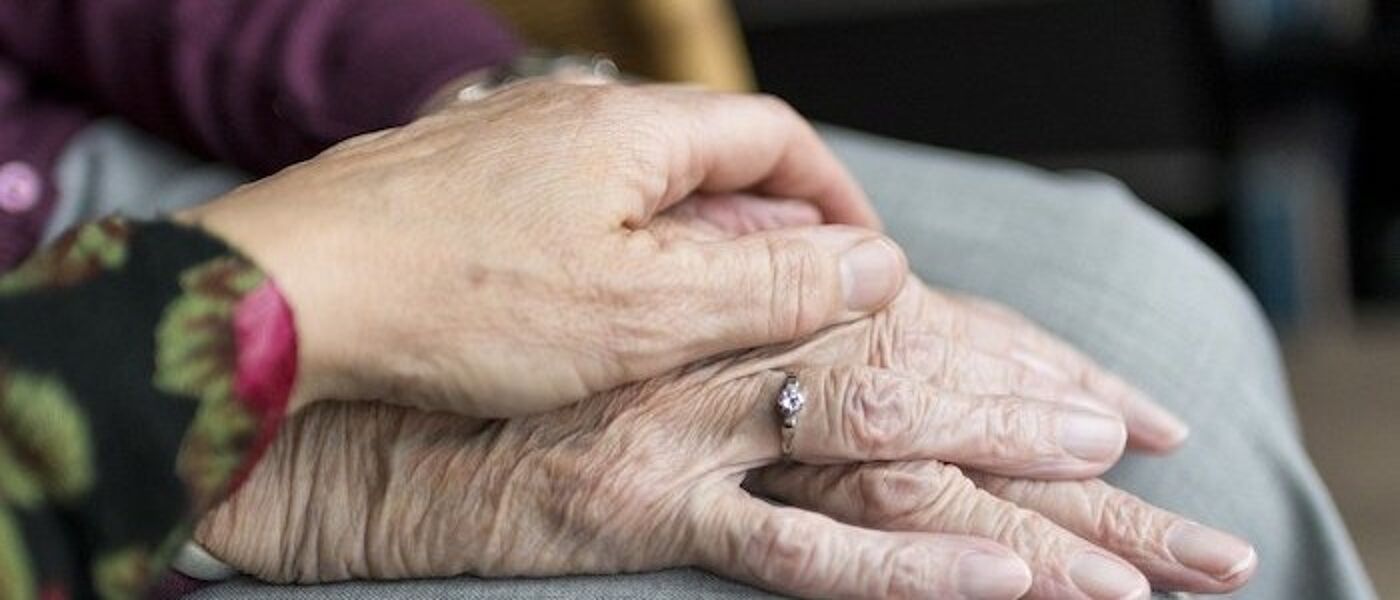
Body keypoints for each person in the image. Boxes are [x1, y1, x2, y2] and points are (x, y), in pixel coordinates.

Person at [0, 1, 1373, 599]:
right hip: (63, 460)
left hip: (117, 159)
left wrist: (501, 132)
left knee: (1144, 325)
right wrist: (285, 466)